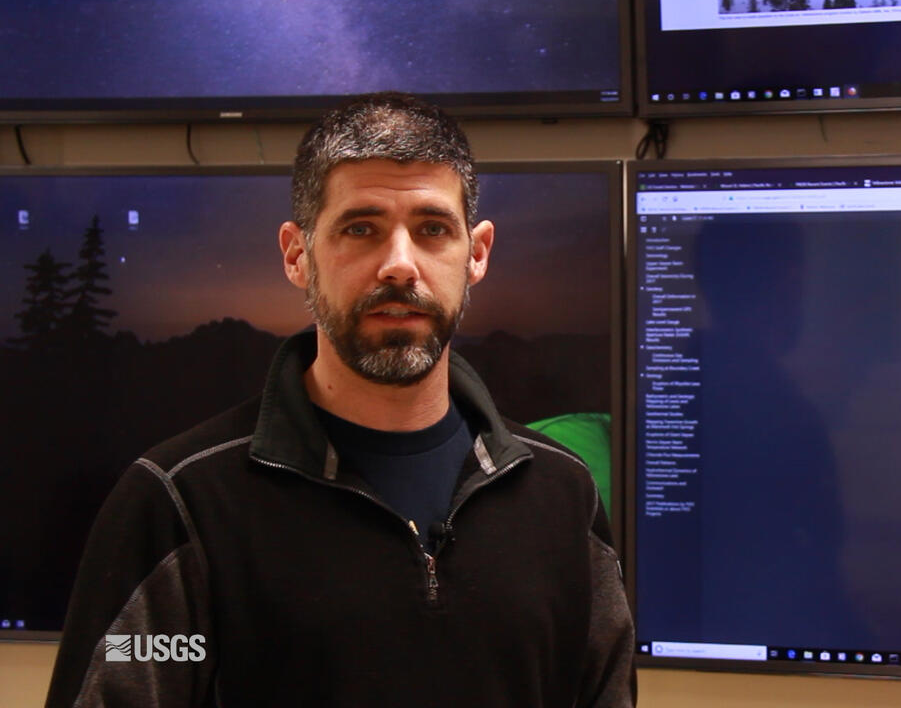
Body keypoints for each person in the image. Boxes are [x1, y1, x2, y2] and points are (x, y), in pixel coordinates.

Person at [45, 92, 636, 707]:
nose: (400, 265)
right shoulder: (179, 504)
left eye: (432, 229)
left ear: (477, 253)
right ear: (298, 255)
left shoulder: (564, 495)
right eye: (362, 228)